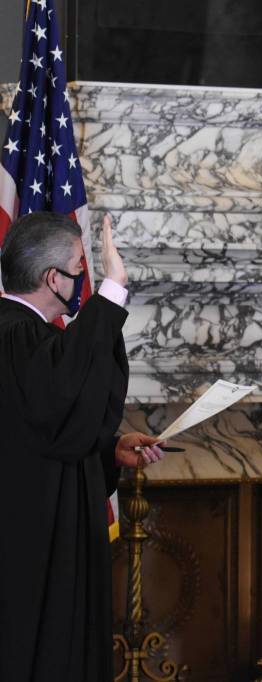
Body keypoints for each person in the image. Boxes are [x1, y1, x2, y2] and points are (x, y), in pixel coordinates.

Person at [0, 212, 165, 681]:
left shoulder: (25, 340)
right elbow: (59, 398)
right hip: (31, 561)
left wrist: (110, 451)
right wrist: (113, 287)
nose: (81, 280)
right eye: (78, 268)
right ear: (53, 279)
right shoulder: (17, 336)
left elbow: (42, 434)